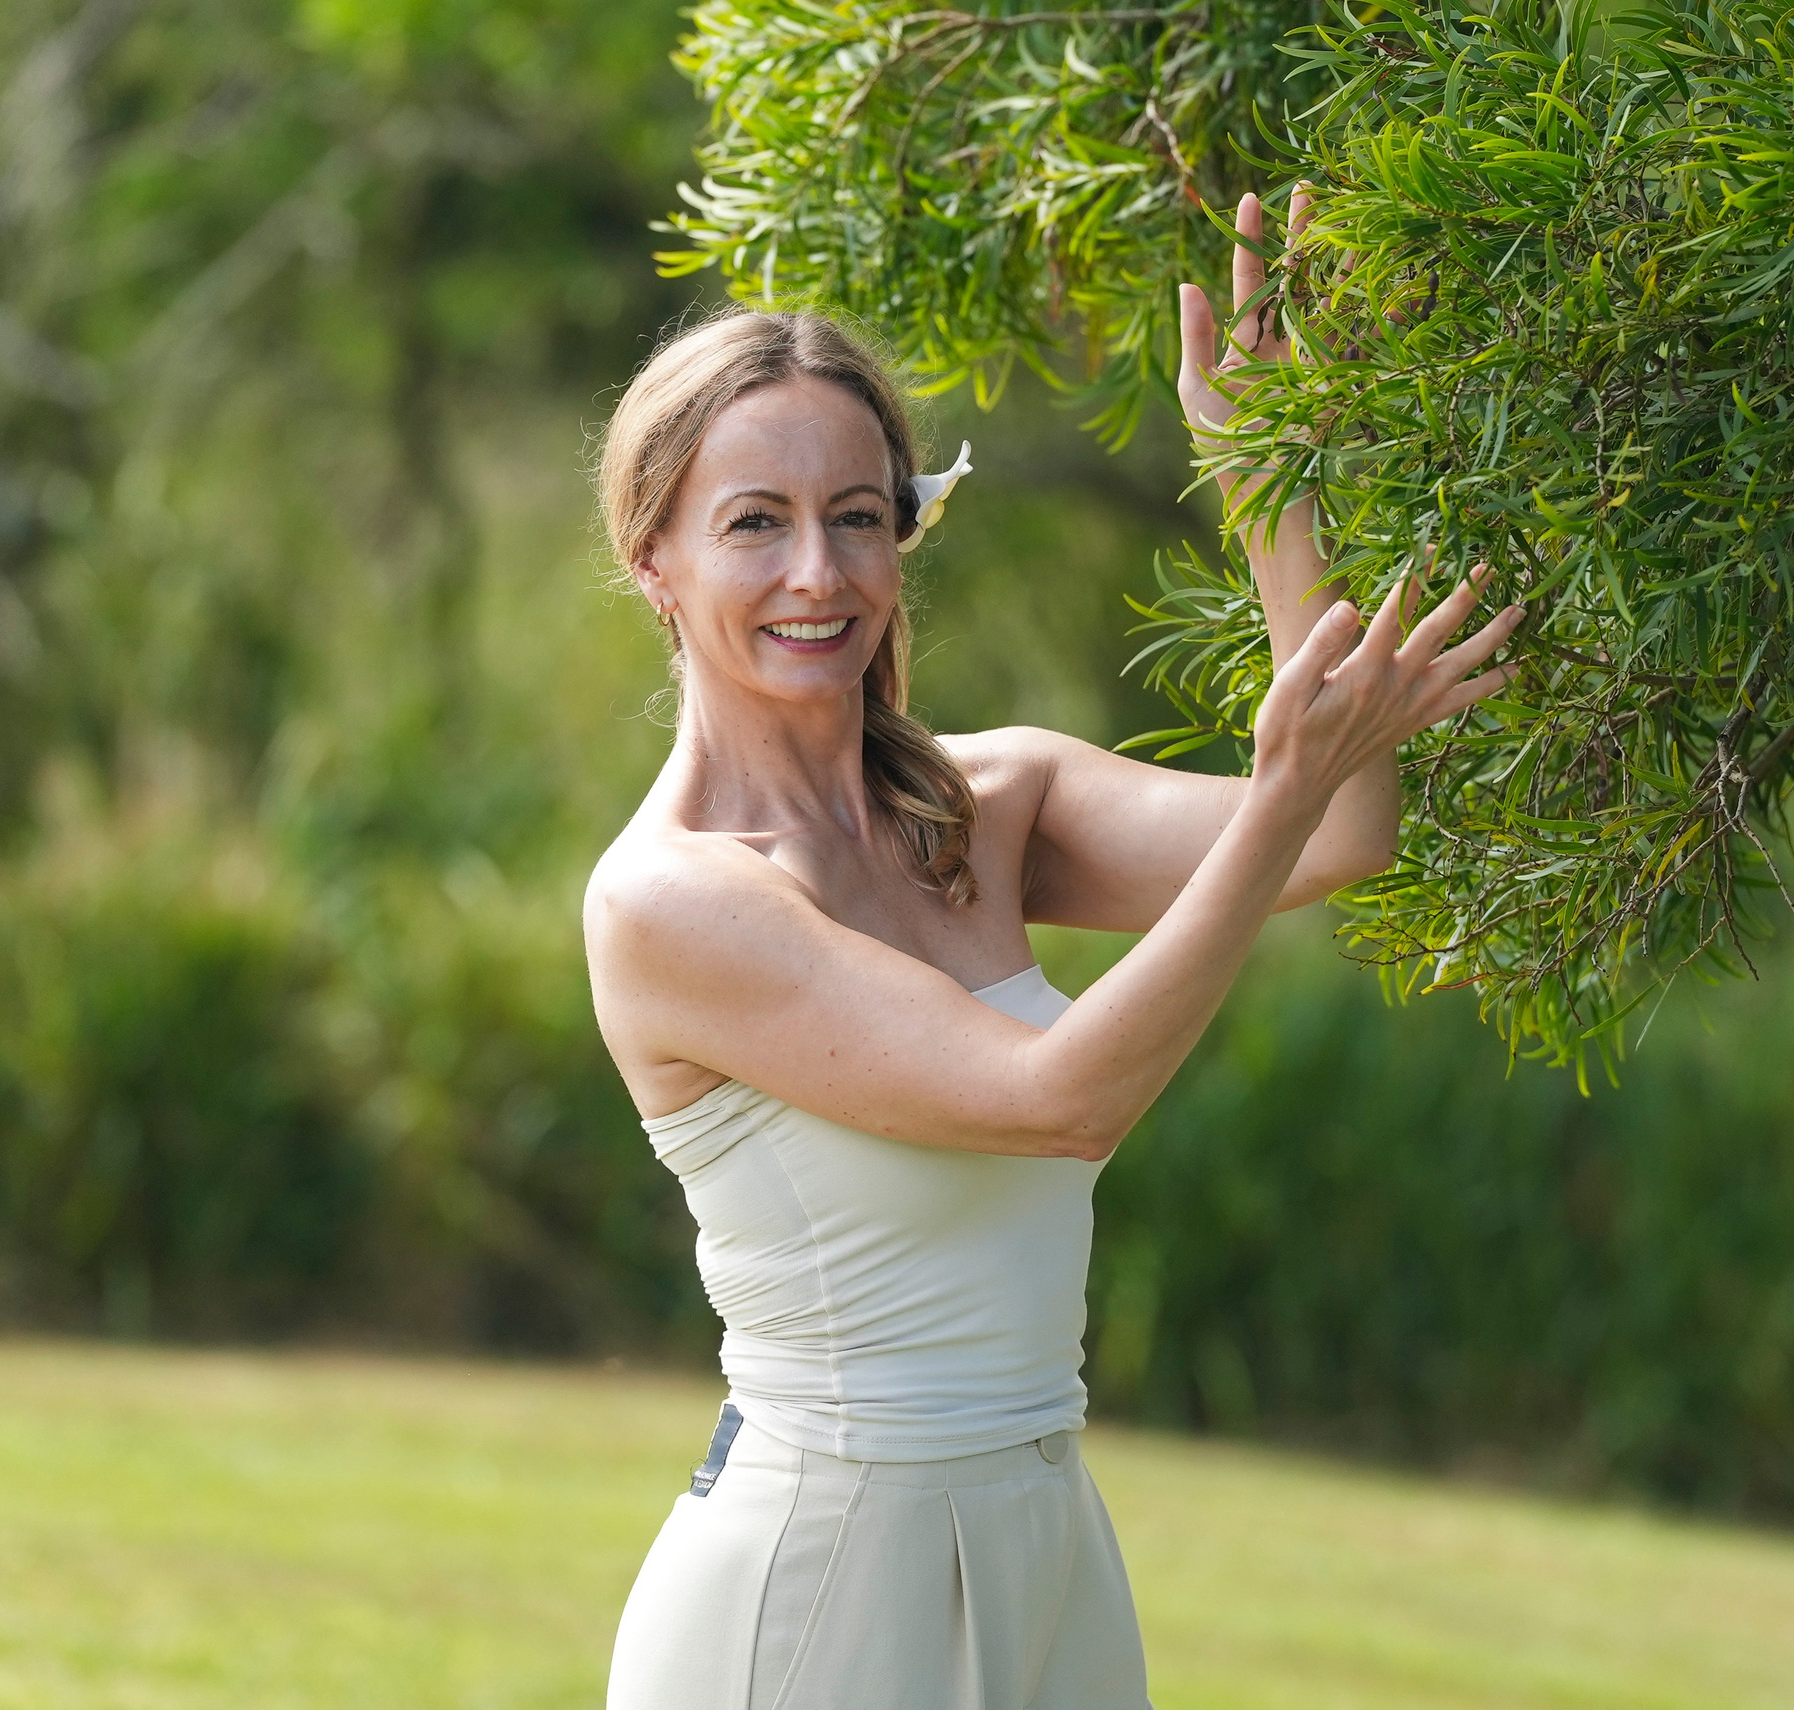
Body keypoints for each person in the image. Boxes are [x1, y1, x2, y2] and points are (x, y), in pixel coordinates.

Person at [585, 189, 1522, 1710]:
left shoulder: (997, 800)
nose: (819, 572)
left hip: (1050, 1542)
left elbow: (1344, 830)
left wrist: (1266, 485)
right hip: (825, 1584)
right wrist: (1283, 784)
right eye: (755, 523)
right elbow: (1059, 1099)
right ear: (656, 561)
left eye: (859, 516)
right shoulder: (671, 901)